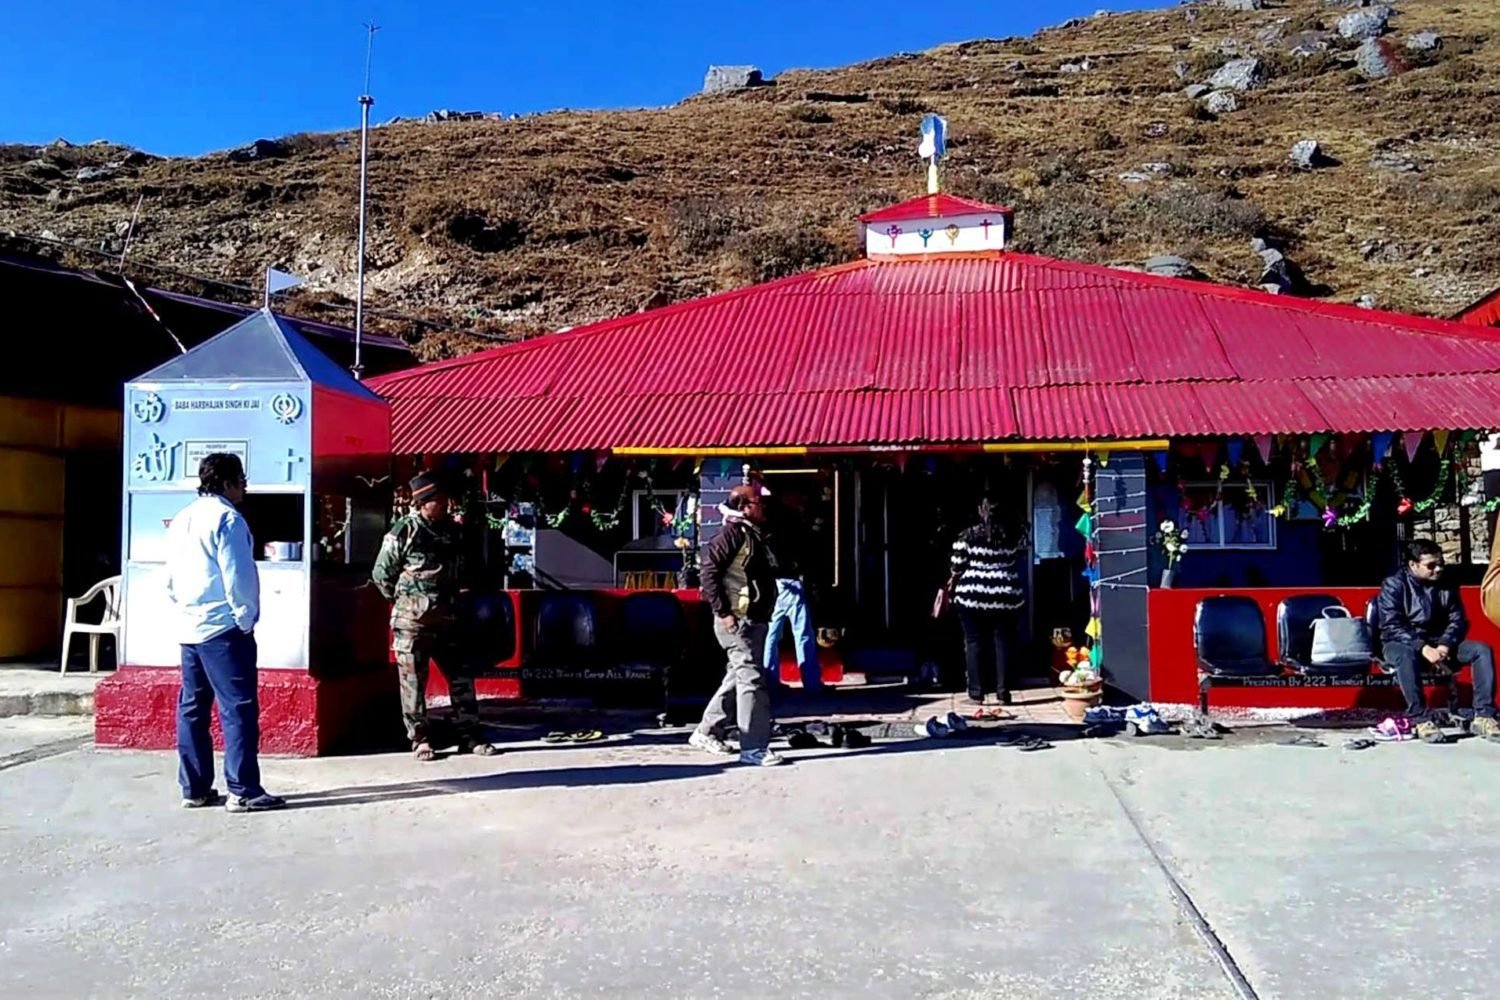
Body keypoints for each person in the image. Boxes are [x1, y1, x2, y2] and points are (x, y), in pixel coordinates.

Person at [164, 453, 285, 813]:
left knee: (193, 708)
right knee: (238, 708)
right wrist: (245, 619)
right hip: (223, 628)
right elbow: (239, 577)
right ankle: (244, 789)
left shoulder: (183, 518)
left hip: (189, 626)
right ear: (228, 482)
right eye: (241, 479)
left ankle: (195, 787)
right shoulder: (228, 520)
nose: (245, 485)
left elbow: (170, 578)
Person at [372, 471, 498, 761]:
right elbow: (382, 575)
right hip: (412, 623)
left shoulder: (453, 531)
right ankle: (421, 740)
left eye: (444, 499)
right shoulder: (404, 531)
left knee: (462, 679)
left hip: (450, 619)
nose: (444, 504)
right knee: (413, 683)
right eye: (437, 500)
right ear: (422, 503)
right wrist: (407, 603)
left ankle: (469, 736)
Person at [690, 483, 784, 766]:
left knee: (738, 675)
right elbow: (708, 572)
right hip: (737, 619)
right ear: (744, 506)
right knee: (751, 680)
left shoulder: (751, 533)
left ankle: (707, 730)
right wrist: (723, 611)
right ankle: (753, 747)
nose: (763, 507)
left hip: (752, 618)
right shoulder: (731, 534)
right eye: (758, 502)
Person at [1377, 538, 1499, 744]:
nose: (1438, 569)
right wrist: (1423, 647)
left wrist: (1444, 644)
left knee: (1481, 650)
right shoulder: (1394, 585)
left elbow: (1457, 619)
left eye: (1440, 563)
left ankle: (1484, 715)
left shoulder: (1447, 583)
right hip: (1401, 642)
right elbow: (1392, 625)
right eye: (1431, 565)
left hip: (1440, 642)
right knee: (1406, 656)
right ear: (1413, 565)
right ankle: (1420, 718)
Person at [947, 495, 1027, 707]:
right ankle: (1003, 692)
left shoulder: (967, 535)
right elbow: (1015, 556)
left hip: (972, 596)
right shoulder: (1012, 533)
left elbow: (956, 565)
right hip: (1006, 594)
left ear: (980, 511)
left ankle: (977, 692)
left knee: (974, 642)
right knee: (1003, 642)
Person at [762, 501, 821, 692]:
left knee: (771, 635)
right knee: (802, 633)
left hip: (773, 585)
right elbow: (802, 557)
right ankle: (811, 682)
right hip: (791, 582)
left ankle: (770, 680)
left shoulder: (766, 534)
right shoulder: (793, 533)